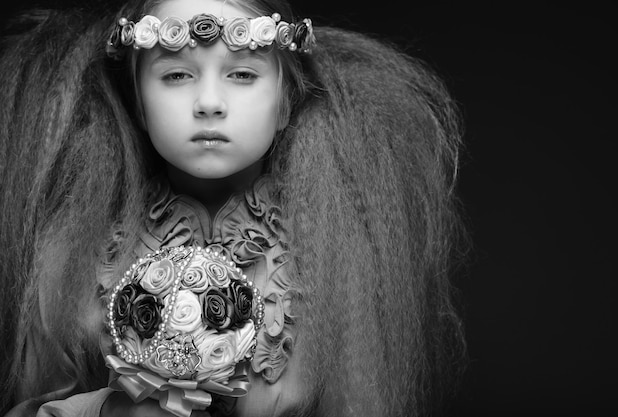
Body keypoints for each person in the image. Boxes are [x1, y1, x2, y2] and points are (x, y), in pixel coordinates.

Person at [0, 0, 467, 416]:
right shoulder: (73, 257)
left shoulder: (342, 261)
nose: (208, 103)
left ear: (285, 102)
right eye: (176, 74)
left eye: (242, 74)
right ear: (139, 104)